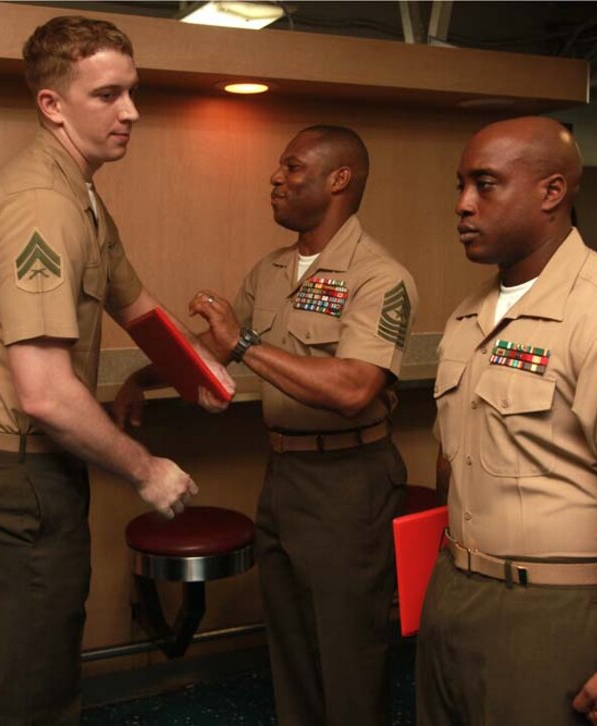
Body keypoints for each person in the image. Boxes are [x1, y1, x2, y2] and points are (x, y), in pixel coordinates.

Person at [0, 16, 234, 725]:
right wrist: (145, 469)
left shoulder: (85, 195)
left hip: (34, 473)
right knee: (29, 695)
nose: (131, 111)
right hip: (16, 477)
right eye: (107, 95)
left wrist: (202, 372)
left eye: (132, 92)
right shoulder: (43, 204)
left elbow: (139, 310)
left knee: (26, 667)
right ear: (52, 105)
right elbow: (42, 393)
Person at [116, 125, 419, 725]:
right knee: (289, 647)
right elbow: (212, 349)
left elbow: (357, 389)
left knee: (349, 653)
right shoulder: (272, 269)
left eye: (293, 167)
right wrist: (141, 379)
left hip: (348, 478)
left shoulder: (380, 277)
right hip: (284, 473)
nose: (275, 179)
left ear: (339, 180)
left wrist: (245, 344)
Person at [416, 117, 597, 726]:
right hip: (454, 593)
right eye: (460, 186)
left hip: (555, 613)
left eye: (485, 184)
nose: (463, 205)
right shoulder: (470, 315)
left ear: (552, 193)